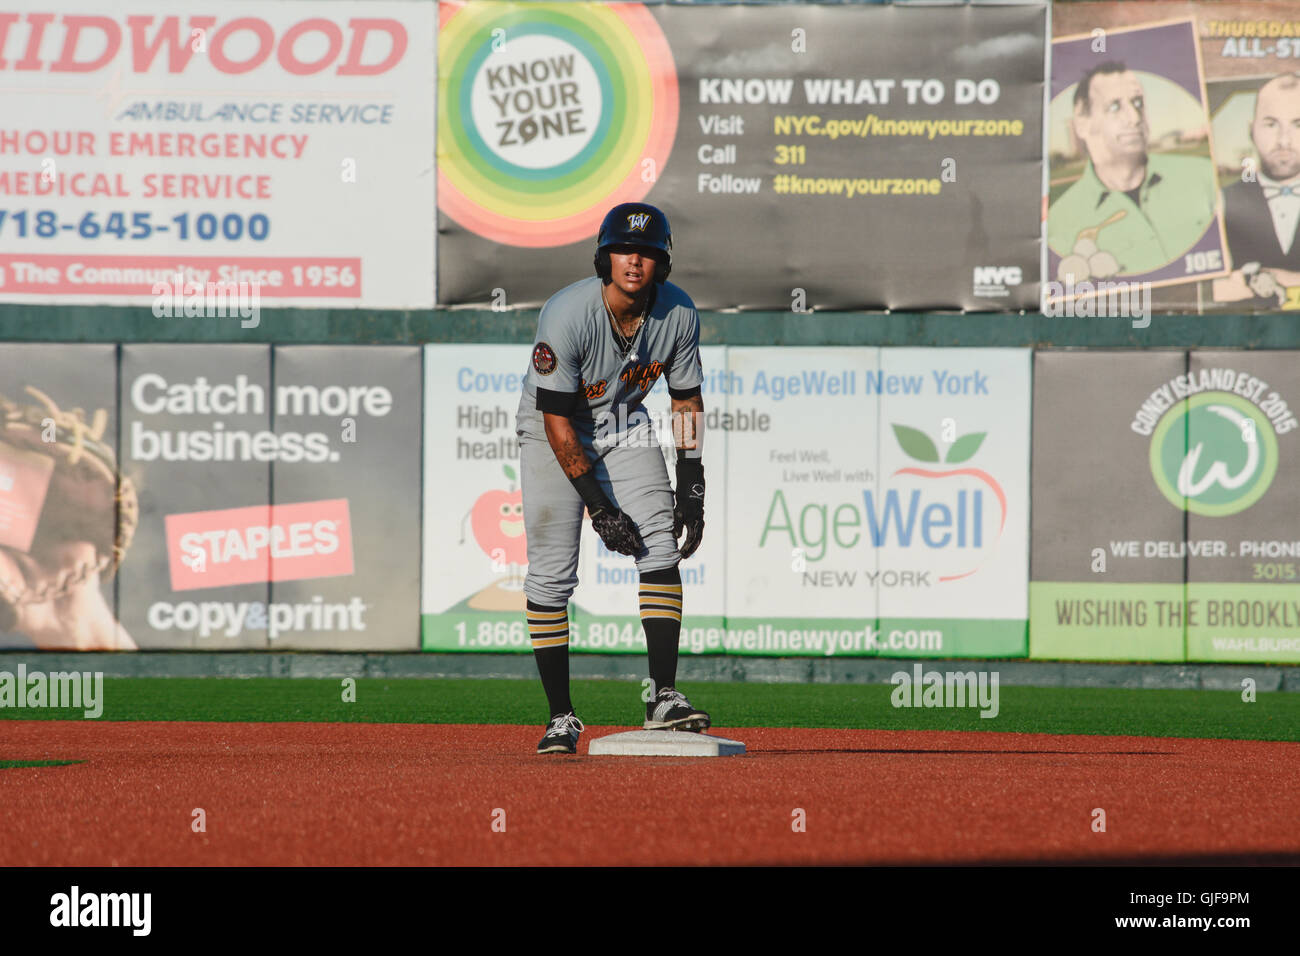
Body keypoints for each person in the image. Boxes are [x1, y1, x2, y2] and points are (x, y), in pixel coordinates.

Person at [514, 201, 709, 755]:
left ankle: (663, 696)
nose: (634, 261)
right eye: (624, 249)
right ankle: (561, 717)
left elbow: (686, 399)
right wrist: (599, 508)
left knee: (660, 543)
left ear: (662, 263)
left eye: (647, 253)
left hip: (625, 423)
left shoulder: (678, 312)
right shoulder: (567, 313)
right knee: (552, 575)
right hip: (554, 429)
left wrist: (692, 483)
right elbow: (557, 422)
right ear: (605, 256)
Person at [1048, 61, 1218, 277]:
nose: (1135, 118)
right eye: (1115, 107)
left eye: (1138, 103)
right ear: (1083, 123)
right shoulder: (1058, 222)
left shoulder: (1204, 175)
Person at [1216, 72, 1300, 305]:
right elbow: (1202, 292)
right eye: (1271, 124)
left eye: (1298, 124)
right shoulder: (1221, 202)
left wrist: (1277, 278)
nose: (1284, 140)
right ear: (1251, 130)